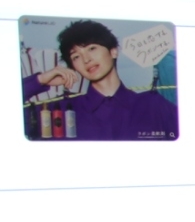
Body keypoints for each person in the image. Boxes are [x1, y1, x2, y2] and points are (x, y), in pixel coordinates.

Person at [22, 20, 178, 141]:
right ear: (73, 67)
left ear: (113, 51)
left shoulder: (154, 105)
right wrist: (40, 80)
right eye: (76, 57)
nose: (86, 59)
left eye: (92, 48)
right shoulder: (61, 110)